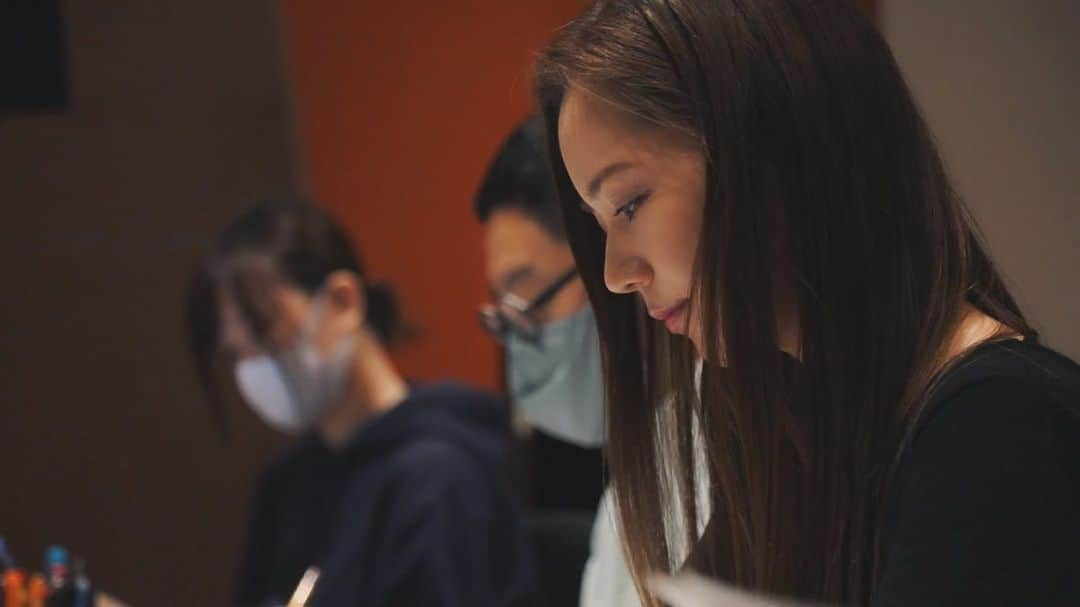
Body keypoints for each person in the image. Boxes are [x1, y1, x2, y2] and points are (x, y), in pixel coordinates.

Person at [533, 1, 1080, 606]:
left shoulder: (999, 426)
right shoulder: (788, 421)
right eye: (601, 222)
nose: (615, 276)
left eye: (630, 203)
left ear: (776, 152)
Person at [186, 199, 541, 607]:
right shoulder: (286, 484)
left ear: (342, 302)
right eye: (236, 354)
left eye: (266, 335)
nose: (255, 368)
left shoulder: (439, 474)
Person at [474, 116, 640, 607]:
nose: (519, 342)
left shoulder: (736, 465)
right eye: (507, 312)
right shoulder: (628, 498)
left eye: (533, 303)